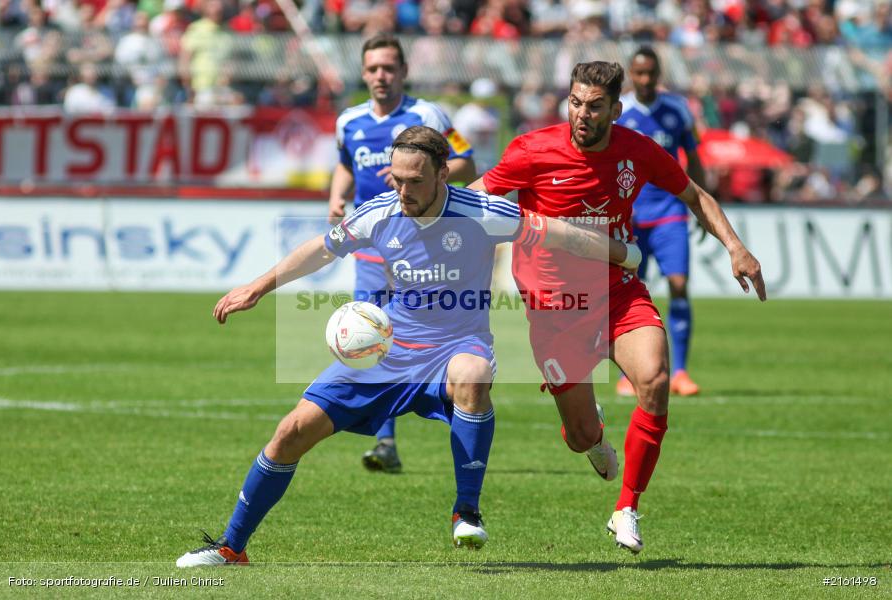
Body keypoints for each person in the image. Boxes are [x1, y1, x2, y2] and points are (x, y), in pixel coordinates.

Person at [175, 126, 641, 566]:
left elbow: (562, 234)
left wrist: (627, 255)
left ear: (443, 173)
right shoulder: (380, 211)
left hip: (457, 344)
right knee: (290, 432)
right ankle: (231, 548)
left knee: (473, 376)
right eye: (396, 179)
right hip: (388, 350)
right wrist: (258, 287)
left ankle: (467, 512)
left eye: (414, 180)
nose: (403, 191)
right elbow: (321, 247)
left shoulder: (483, 212)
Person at [469, 62, 766, 554]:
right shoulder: (531, 150)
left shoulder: (637, 151)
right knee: (580, 435)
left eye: (594, 106)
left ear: (615, 109)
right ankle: (594, 435)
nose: (582, 115)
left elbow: (695, 196)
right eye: (575, 102)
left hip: (618, 293)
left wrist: (735, 246)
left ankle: (626, 508)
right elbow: (479, 197)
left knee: (653, 379)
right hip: (554, 307)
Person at [328, 34, 476, 474]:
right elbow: (345, 164)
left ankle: (461, 415)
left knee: (439, 337)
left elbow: (466, 160)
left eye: (389, 68)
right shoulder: (348, 121)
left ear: (404, 71)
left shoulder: (427, 115)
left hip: (421, 250)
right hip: (373, 249)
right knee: (375, 339)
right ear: (363, 72)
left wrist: (425, 185)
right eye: (373, 68)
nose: (380, 76)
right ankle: (386, 440)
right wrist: (338, 199)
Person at [614, 46, 708, 397]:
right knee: (629, 294)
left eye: (651, 73)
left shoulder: (677, 110)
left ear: (659, 73)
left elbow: (694, 158)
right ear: (630, 74)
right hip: (631, 217)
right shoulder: (619, 113)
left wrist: (701, 206)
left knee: (679, 285)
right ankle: (630, 372)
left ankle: (680, 371)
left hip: (670, 212)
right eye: (639, 73)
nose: (645, 80)